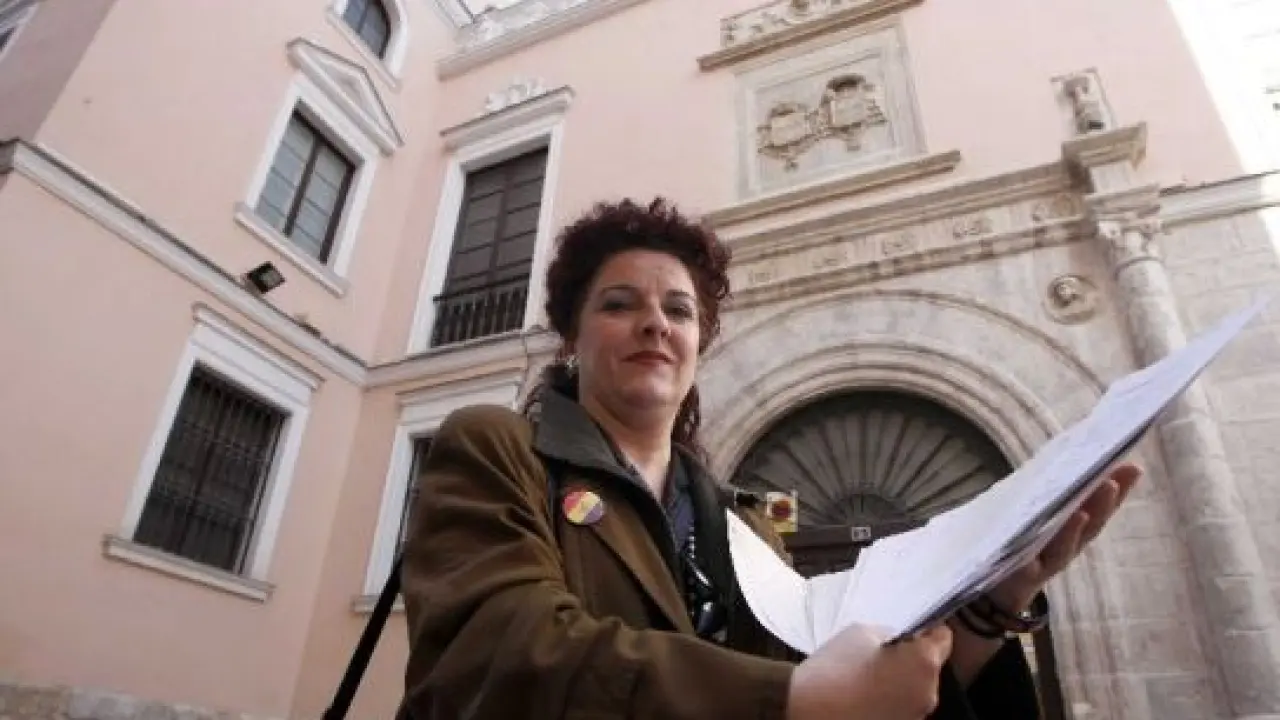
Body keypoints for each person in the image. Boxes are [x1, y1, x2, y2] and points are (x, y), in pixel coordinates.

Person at [397, 198, 1140, 720]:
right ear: (572, 336)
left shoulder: (744, 524)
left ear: (698, 342)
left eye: (679, 310)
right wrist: (790, 699)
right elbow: (497, 652)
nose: (655, 323)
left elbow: (843, 689)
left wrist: (991, 603)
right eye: (619, 304)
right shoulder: (498, 447)